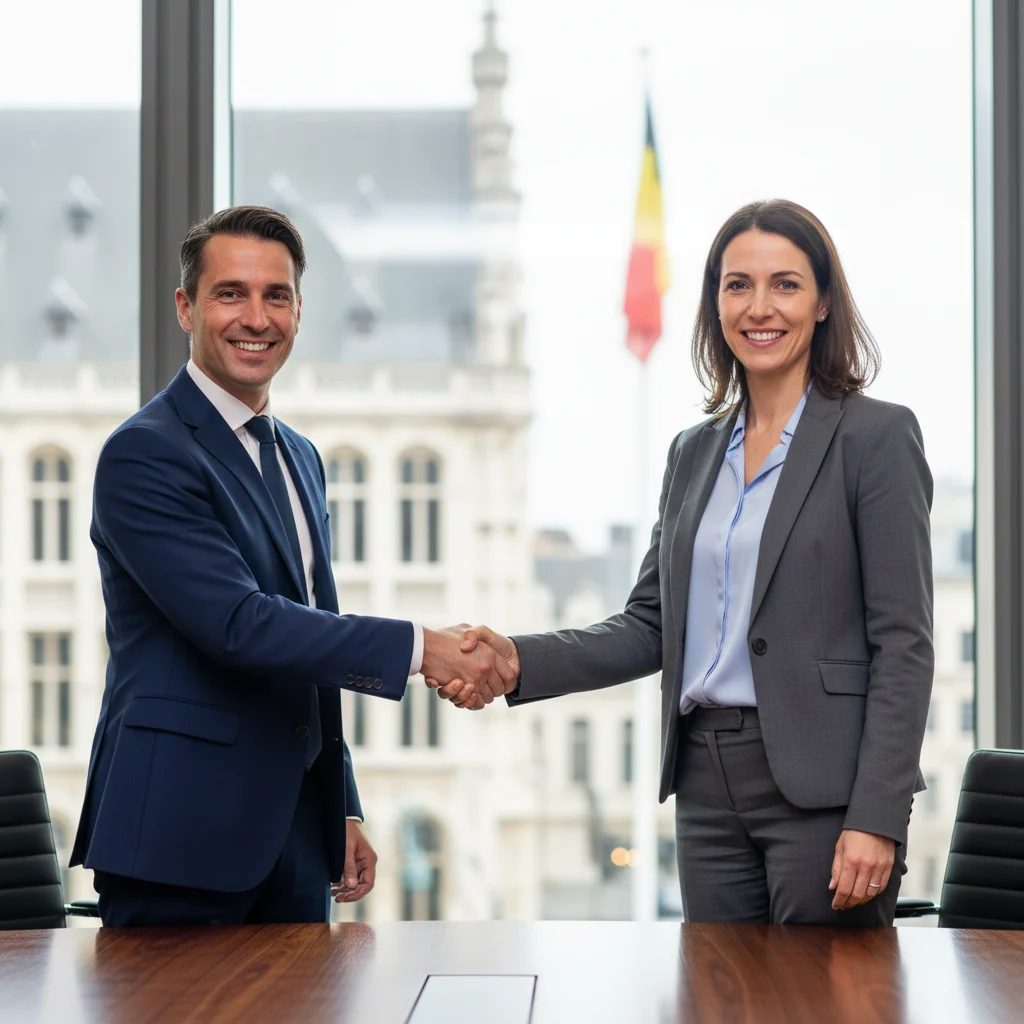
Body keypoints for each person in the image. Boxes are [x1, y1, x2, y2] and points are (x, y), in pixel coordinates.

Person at [434, 199, 933, 925]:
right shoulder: (693, 452)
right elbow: (651, 625)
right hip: (706, 783)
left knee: (819, 986)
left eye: (786, 284)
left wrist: (878, 815)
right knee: (716, 983)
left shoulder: (875, 438)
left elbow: (904, 644)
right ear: (715, 303)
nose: (759, 307)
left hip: (824, 790)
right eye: (738, 285)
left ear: (824, 302)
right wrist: (516, 659)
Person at [71, 205, 514, 926]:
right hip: (179, 835)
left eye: (276, 296)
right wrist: (422, 648)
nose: (256, 318)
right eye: (230, 294)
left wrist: (341, 804)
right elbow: (241, 626)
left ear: (299, 312)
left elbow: (311, 636)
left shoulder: (300, 457)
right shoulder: (145, 453)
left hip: (297, 837)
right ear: (185, 308)